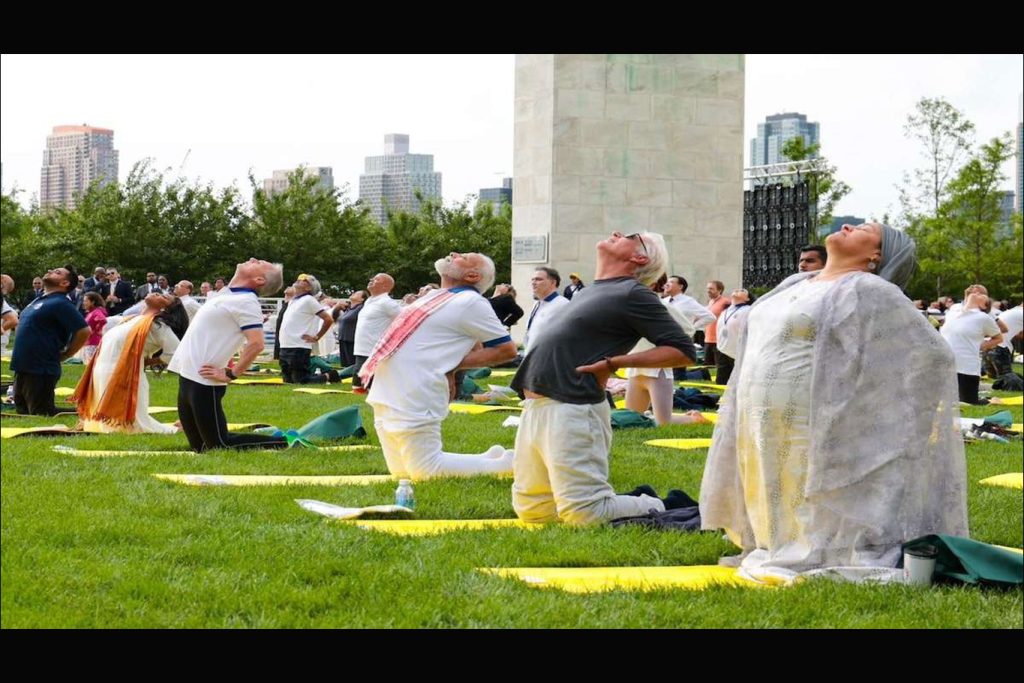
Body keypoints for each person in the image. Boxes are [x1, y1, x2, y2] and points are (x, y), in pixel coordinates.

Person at [700, 223, 968, 584]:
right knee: (769, 477)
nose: (846, 226)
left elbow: (931, 354)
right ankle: (774, 542)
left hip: (811, 409)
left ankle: (817, 549)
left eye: (863, 229)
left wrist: (868, 399)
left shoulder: (872, 290)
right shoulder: (796, 284)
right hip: (760, 409)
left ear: (877, 255)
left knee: (801, 476)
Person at [510, 232, 697, 525]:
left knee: (586, 514)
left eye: (630, 237)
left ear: (640, 257)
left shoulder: (633, 292)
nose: (616, 234)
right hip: (538, 406)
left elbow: (683, 350)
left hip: (574, 407)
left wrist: (615, 363)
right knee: (534, 512)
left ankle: (662, 504)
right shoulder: (592, 290)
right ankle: (632, 500)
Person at [361, 252, 518, 480]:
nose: (453, 254)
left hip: (415, 389)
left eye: (463, 257)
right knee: (402, 473)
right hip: (387, 390)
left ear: (472, 275)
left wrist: (453, 366)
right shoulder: (435, 297)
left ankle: (509, 465)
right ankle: (490, 459)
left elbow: (506, 349)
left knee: (426, 472)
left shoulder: (471, 302)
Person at [167, 258, 290, 451]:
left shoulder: (246, 302)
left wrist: (231, 374)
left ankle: (284, 442)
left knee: (219, 445)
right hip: (188, 376)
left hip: (205, 381)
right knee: (199, 447)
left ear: (259, 280)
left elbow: (256, 343)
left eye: (258, 263)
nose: (251, 259)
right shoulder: (227, 295)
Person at [72, 293, 188, 433]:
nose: (158, 293)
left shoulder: (158, 325)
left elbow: (176, 353)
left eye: (165, 297)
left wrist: (149, 361)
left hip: (125, 374)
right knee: (105, 421)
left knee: (133, 424)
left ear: (165, 308)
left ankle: (177, 429)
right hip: (101, 370)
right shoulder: (130, 319)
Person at [624, 274, 708, 426]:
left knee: (664, 422)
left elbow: (688, 329)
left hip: (658, 369)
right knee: (631, 419)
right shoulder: (631, 305)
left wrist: (667, 342)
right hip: (636, 368)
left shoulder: (662, 306)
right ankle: (651, 415)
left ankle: (695, 418)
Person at [10, 266, 89, 415]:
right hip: (23, 365)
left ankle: (86, 411)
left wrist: (67, 354)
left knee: (41, 412)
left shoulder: (61, 303)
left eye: (57, 273)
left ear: (65, 283)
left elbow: (84, 330)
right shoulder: (38, 300)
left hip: (41, 367)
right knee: (23, 411)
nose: (51, 271)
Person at [940, 292, 1002, 404]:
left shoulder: (983, 318)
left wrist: (980, 345)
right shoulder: (953, 311)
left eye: (981, 295)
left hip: (967, 368)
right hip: (945, 365)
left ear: (983, 305)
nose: (977, 293)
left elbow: (998, 338)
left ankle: (991, 401)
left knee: (968, 402)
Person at [277, 274, 339, 384]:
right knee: (287, 380)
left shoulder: (309, 300)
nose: (299, 280)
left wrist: (317, 337)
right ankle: (323, 376)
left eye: (304, 280)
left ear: (309, 288)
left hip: (299, 345)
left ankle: (329, 375)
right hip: (286, 344)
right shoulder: (293, 301)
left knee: (301, 380)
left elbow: (328, 319)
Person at [352, 273, 402, 391]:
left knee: (364, 386)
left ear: (385, 286)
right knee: (358, 386)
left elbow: (403, 319)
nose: (371, 280)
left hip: (374, 349)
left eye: (376, 279)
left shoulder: (387, 303)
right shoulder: (369, 301)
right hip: (362, 348)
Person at [523, 267, 570, 355]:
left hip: (548, 360)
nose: (533, 283)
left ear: (553, 282)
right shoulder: (537, 304)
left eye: (538, 279)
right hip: (531, 358)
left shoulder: (563, 305)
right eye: (532, 279)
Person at [702, 280, 731, 369]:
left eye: (711, 288)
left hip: (719, 339)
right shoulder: (710, 302)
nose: (708, 290)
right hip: (708, 338)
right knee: (708, 365)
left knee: (721, 365)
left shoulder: (726, 302)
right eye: (707, 288)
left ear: (719, 290)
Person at [336, 290, 366, 367]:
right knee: (344, 363)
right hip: (343, 338)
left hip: (352, 339)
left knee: (351, 363)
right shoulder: (349, 309)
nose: (353, 294)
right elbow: (334, 317)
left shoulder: (361, 308)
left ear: (362, 299)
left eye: (356, 294)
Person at [80, 291, 108, 363]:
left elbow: (103, 320)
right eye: (84, 301)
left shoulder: (96, 311)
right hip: (88, 342)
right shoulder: (91, 312)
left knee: (90, 364)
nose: (84, 303)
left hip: (93, 343)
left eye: (86, 301)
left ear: (93, 302)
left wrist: (97, 330)